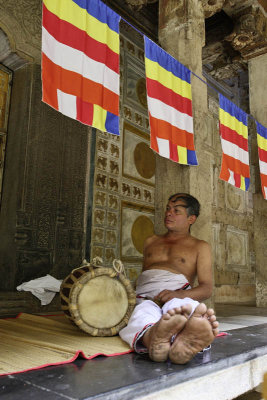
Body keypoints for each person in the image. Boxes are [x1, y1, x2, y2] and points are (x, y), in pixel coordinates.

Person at [119, 193, 219, 364]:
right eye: (167, 209)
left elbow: (206, 288)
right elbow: (145, 276)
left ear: (191, 218)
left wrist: (177, 295)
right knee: (141, 314)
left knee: (184, 310)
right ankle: (158, 340)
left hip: (179, 294)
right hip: (145, 296)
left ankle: (181, 339)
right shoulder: (151, 241)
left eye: (176, 211)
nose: (168, 213)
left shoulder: (200, 246)